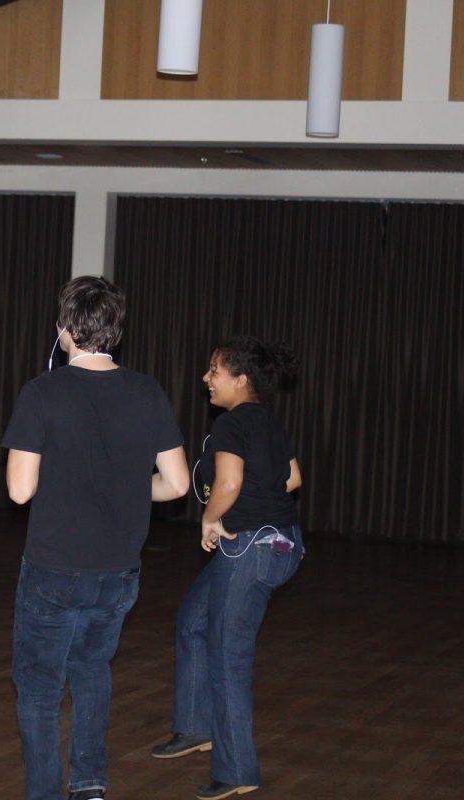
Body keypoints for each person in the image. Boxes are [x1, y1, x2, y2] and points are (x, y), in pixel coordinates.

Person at [3, 276, 189, 800]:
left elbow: (19, 490)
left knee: (39, 689)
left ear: (63, 329)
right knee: (91, 673)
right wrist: (126, 487)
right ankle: (88, 785)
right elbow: (175, 484)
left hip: (53, 569)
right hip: (118, 571)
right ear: (116, 329)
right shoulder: (147, 391)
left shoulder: (43, 392)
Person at [150, 336, 302, 800]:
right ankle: (196, 727)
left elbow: (230, 481)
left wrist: (212, 518)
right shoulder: (268, 423)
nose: (206, 379)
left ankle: (237, 770)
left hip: (250, 549)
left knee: (227, 656)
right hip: (283, 544)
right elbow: (293, 478)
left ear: (241, 380)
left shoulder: (232, 425)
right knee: (194, 620)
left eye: (214, 371)